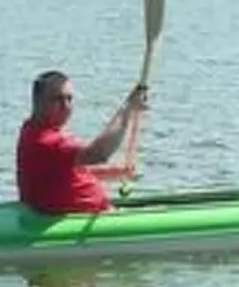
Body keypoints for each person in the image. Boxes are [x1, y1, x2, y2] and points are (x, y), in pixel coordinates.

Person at [17, 70, 149, 215]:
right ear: (38, 102)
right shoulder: (47, 141)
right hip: (78, 221)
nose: (66, 106)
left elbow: (63, 172)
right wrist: (127, 110)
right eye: (58, 99)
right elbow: (99, 154)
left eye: (69, 99)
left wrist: (115, 172)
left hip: (91, 213)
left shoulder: (32, 128)